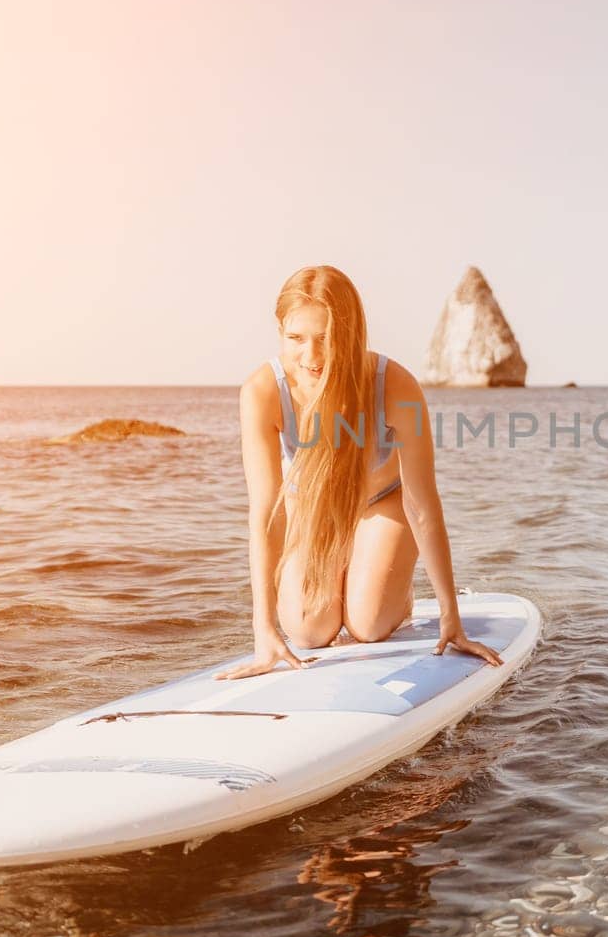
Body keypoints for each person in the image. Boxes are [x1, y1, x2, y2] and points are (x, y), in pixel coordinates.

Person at [215, 265, 502, 680]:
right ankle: (345, 570)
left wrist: (449, 616)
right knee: (308, 631)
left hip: (382, 504)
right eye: (296, 338)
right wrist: (264, 632)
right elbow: (267, 514)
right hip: (313, 511)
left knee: (367, 626)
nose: (311, 356)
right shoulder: (262, 392)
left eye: (326, 339)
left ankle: (394, 594)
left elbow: (422, 504)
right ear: (279, 330)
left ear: (351, 334)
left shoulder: (396, 387)